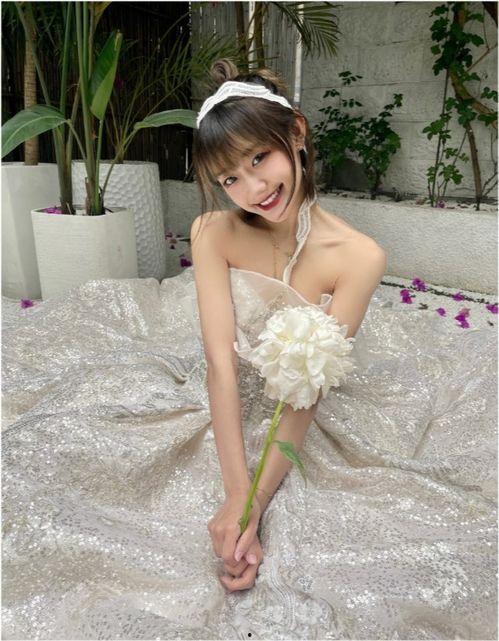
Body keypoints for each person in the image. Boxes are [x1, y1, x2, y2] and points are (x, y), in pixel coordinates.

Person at [1, 59, 496, 640]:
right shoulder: (213, 231)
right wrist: (237, 493)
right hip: (225, 389)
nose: (253, 189)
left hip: (299, 405)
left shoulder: (360, 257)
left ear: (297, 133)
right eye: (230, 178)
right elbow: (220, 361)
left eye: (260, 158)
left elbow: (307, 392)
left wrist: (257, 504)